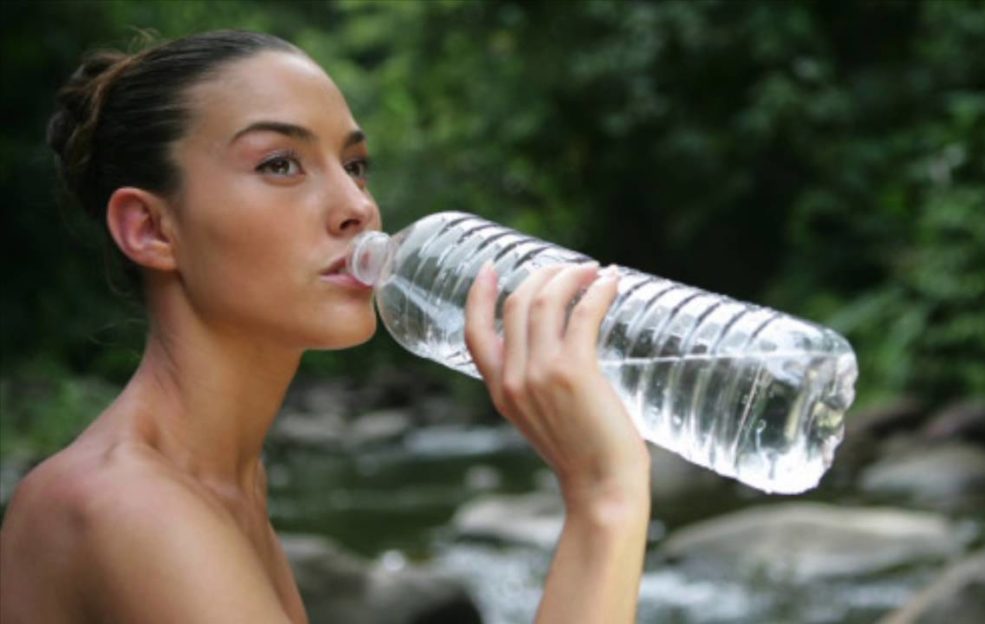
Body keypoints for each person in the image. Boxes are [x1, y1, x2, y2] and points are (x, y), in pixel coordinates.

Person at [0, 30, 650, 623]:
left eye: (356, 164)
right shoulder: (127, 506)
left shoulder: (225, 483)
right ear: (151, 229)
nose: (358, 208)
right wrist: (604, 499)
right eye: (280, 164)